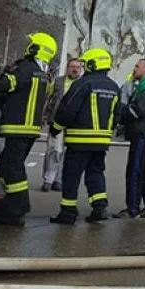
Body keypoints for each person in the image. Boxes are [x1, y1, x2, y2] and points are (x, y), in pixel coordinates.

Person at [0, 32, 57, 226]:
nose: (27, 46)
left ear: (37, 49)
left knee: (13, 171)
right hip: (27, 129)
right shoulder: (42, 74)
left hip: (18, 128)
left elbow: (2, 83)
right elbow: (21, 92)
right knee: (5, 169)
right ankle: (2, 208)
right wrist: (1, 100)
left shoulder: (26, 68)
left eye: (31, 44)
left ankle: (18, 209)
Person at [49, 47, 119, 225]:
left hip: (79, 141)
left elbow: (68, 109)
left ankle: (68, 212)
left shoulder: (82, 83)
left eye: (85, 63)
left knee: (71, 175)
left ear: (93, 64)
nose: (83, 66)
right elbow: (117, 115)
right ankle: (99, 207)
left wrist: (56, 128)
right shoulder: (114, 87)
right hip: (102, 142)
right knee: (95, 173)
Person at [115, 58, 145, 219]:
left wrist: (120, 111)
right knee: (144, 171)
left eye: (137, 66)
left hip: (143, 136)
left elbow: (136, 111)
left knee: (134, 172)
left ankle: (132, 208)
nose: (134, 69)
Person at [41, 57, 84, 193]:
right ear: (67, 68)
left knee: (67, 152)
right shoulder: (58, 81)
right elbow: (48, 98)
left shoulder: (83, 83)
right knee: (54, 150)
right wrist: (43, 116)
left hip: (74, 124)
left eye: (77, 67)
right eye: (72, 66)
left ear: (81, 69)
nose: (75, 69)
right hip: (56, 120)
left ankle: (59, 179)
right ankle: (48, 179)